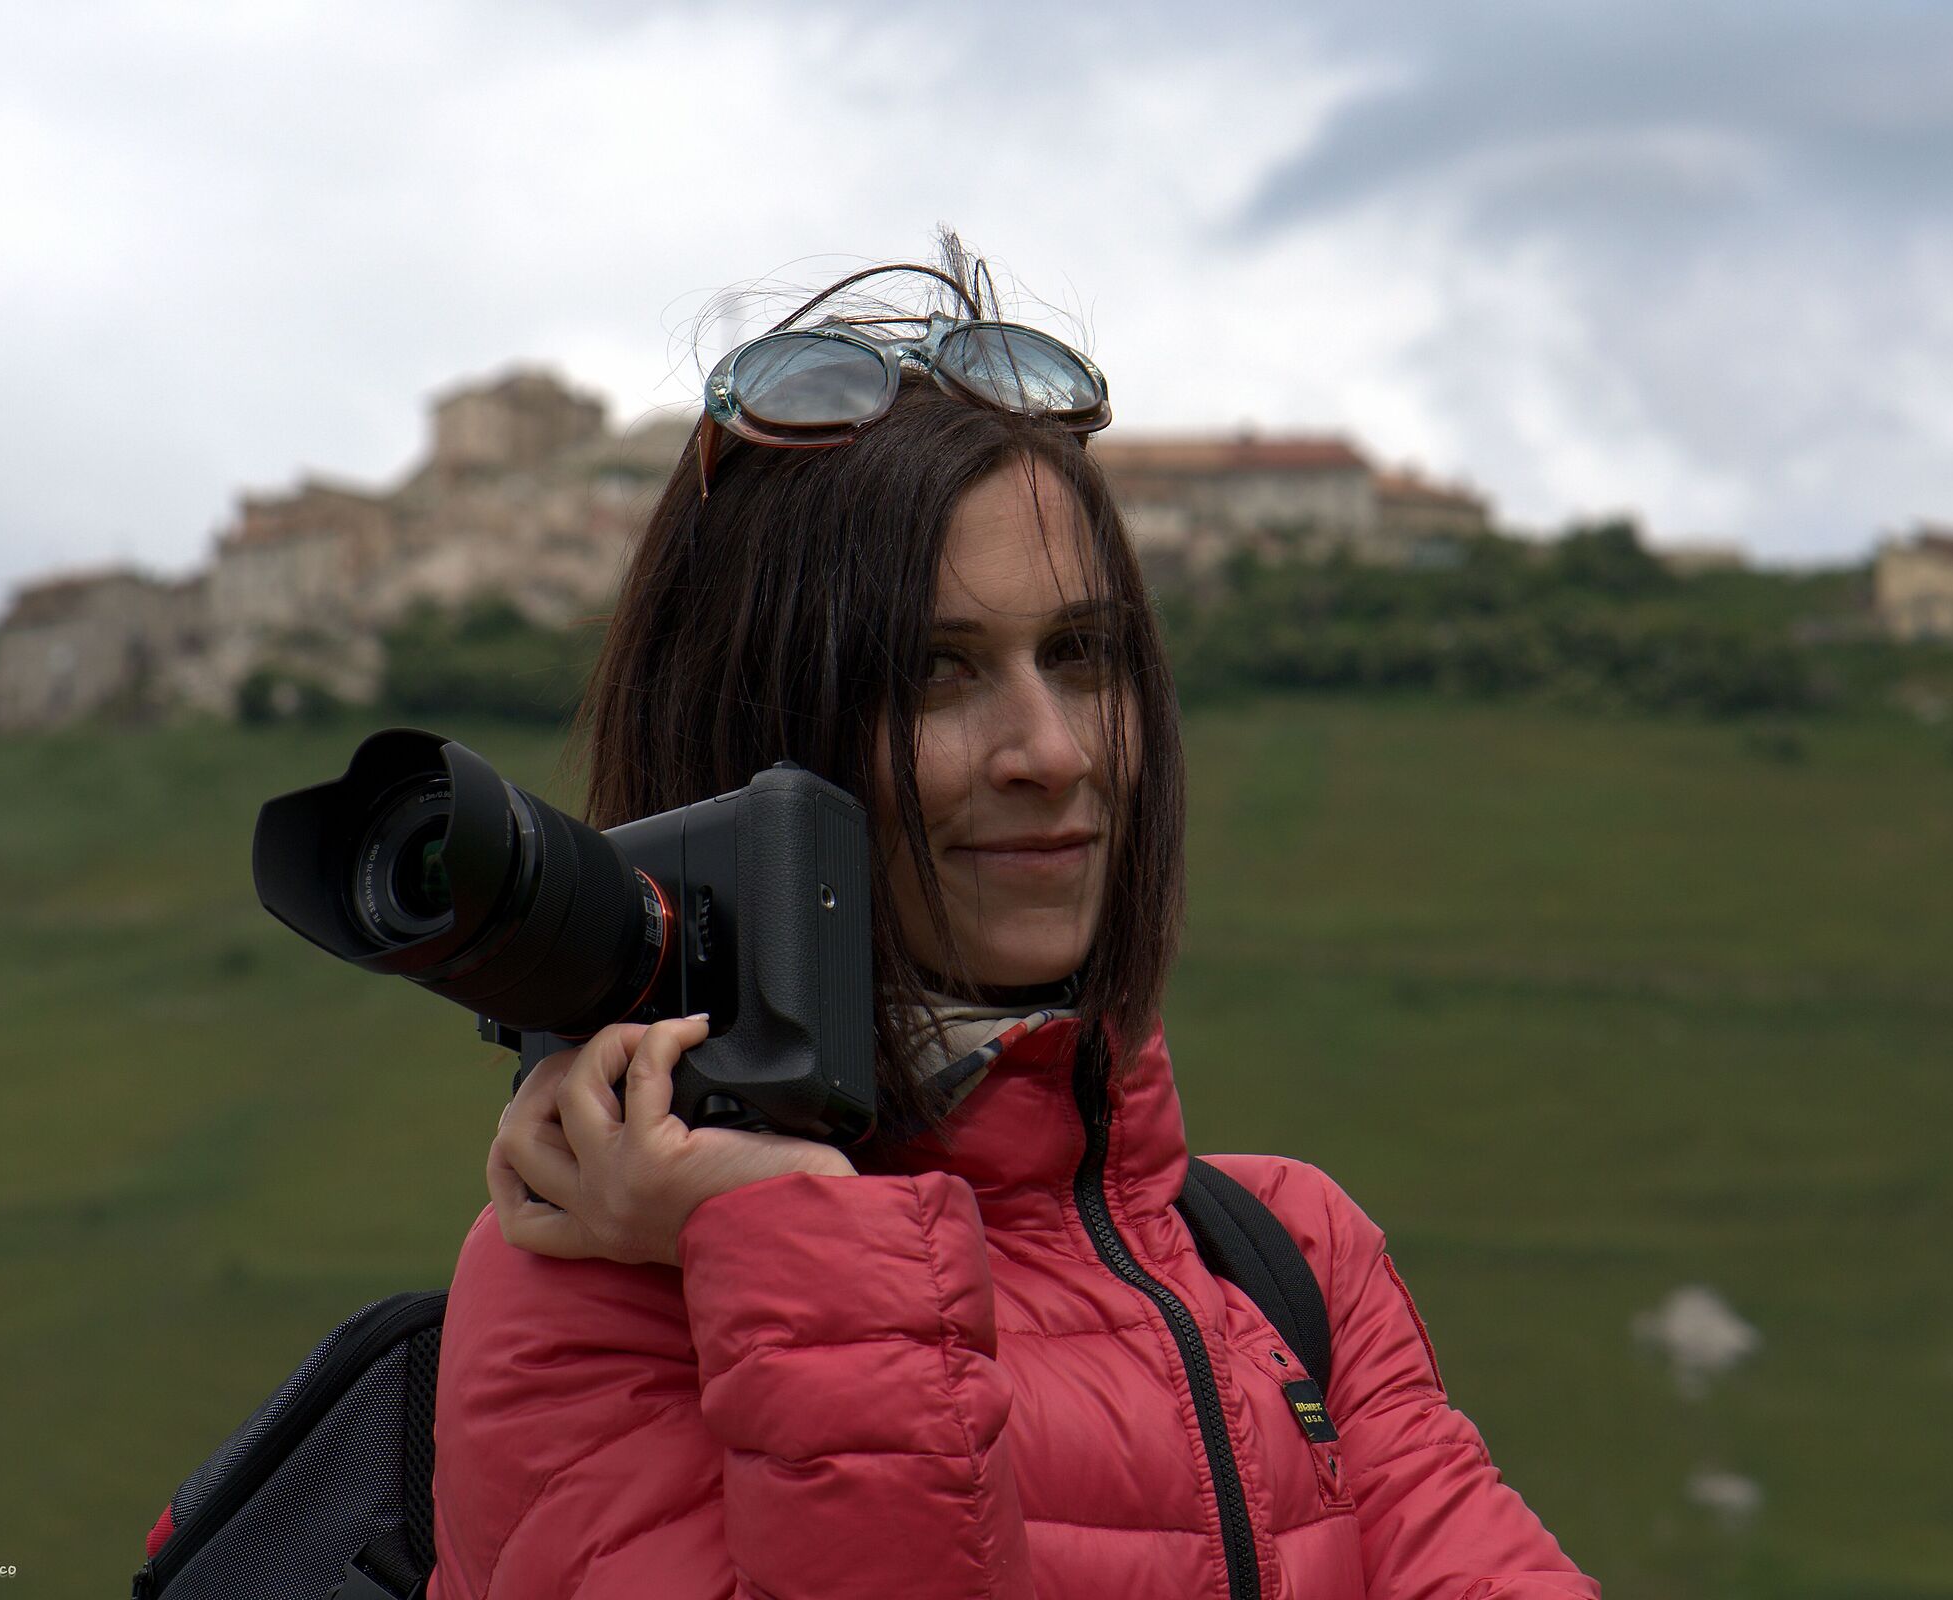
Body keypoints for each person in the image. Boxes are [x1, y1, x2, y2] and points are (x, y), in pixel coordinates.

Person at [427, 238, 1598, 1599]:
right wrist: (793, 1235)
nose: (1051, 750)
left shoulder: (1289, 1254)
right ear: (756, 736)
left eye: (1083, 657)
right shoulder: (589, 1277)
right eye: (936, 673)